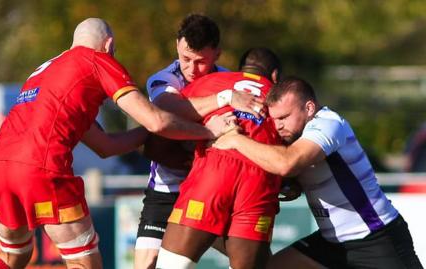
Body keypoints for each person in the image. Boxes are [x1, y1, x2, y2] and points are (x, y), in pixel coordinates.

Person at [0, 17, 234, 269]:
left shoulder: (47, 71)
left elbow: (105, 146)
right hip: (41, 167)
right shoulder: (98, 61)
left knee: (12, 258)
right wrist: (204, 130)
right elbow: (156, 121)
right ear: (109, 45)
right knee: (84, 264)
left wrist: (149, 134)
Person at [213, 77, 424, 269]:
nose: (278, 126)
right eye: (275, 119)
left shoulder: (328, 124)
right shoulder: (295, 133)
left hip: (375, 240)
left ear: (310, 108)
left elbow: (287, 163)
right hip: (331, 243)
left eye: (284, 117)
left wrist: (235, 139)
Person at [135, 14, 264, 269]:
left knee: (248, 259)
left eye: (201, 61)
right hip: (167, 189)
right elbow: (165, 108)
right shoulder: (166, 78)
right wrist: (224, 99)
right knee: (146, 264)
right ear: (177, 46)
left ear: (217, 53)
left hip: (213, 190)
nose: (191, 69)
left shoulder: (232, 80)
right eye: (185, 58)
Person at [155, 48, 283, 269]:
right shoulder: (283, 95)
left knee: (171, 266)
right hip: (260, 176)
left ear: (239, 70)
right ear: (275, 76)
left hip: (215, 166)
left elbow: (167, 117)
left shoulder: (214, 81)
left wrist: (180, 158)